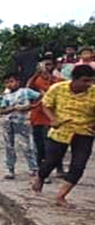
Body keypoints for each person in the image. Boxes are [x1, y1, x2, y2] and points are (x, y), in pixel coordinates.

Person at [33, 65, 95, 207]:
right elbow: (46, 105)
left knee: (78, 166)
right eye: (85, 81)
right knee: (51, 162)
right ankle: (40, 176)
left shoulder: (93, 92)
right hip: (61, 130)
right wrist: (53, 119)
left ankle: (61, 196)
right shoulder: (58, 89)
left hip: (85, 132)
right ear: (75, 79)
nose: (89, 84)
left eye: (91, 81)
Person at [27, 56, 64, 177]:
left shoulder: (58, 80)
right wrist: (35, 75)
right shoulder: (35, 81)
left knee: (55, 144)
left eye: (49, 65)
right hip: (38, 116)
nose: (47, 68)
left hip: (52, 116)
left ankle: (58, 168)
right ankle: (41, 170)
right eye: (45, 65)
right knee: (40, 145)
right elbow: (27, 89)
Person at [0, 73, 40, 180]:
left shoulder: (25, 91)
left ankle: (34, 168)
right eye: (7, 82)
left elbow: (41, 96)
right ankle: (10, 169)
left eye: (11, 81)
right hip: (8, 122)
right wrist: (12, 109)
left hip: (23, 122)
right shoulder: (6, 96)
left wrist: (32, 106)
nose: (9, 84)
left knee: (27, 146)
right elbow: (2, 110)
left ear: (18, 82)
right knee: (9, 146)